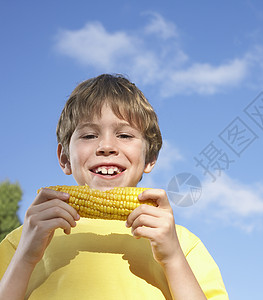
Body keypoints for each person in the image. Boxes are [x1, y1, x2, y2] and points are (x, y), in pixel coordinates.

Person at [0, 74, 228, 300]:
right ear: (65, 159)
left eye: (125, 135)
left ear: (150, 158)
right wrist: (26, 257)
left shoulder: (181, 244)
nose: (106, 146)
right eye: (89, 135)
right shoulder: (24, 239)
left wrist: (173, 259)